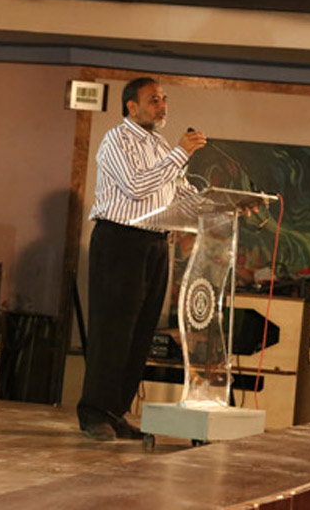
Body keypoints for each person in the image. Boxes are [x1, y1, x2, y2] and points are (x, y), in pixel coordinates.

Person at [77, 76, 207, 441]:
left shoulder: (160, 145)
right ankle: (94, 412)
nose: (162, 106)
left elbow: (178, 194)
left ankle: (115, 411)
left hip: (155, 243)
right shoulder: (117, 139)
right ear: (132, 107)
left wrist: (222, 207)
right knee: (113, 330)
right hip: (120, 241)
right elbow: (136, 187)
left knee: (139, 333)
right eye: (153, 100)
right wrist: (181, 153)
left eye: (164, 99)